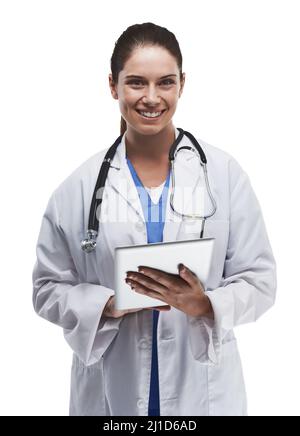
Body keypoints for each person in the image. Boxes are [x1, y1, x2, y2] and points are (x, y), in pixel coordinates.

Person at [32, 22, 276, 416]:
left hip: (204, 392)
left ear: (182, 84)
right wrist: (106, 304)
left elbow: (260, 281)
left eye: (165, 82)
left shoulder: (223, 176)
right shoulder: (77, 189)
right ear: (113, 86)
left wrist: (206, 304)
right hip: (112, 393)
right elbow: (46, 288)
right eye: (135, 83)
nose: (151, 98)